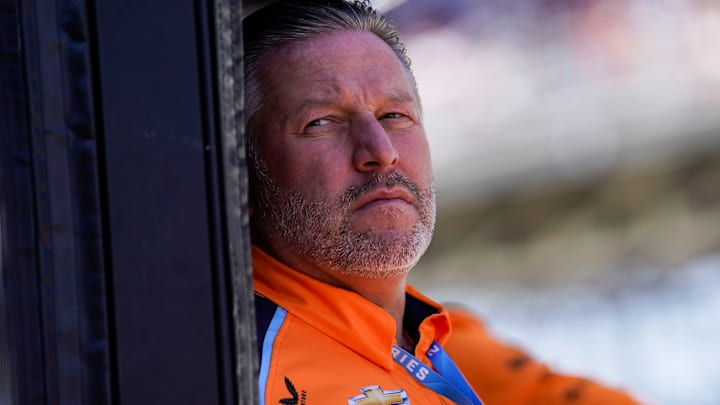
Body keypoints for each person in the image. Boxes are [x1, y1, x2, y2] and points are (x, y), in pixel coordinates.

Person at [244, 1, 641, 404]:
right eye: (321, 122)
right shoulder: (240, 369)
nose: (380, 150)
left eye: (395, 115)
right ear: (240, 176)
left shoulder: (438, 344)